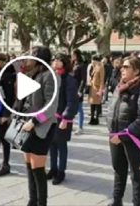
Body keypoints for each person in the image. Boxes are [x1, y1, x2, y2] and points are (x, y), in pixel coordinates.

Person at [106, 56, 140, 206]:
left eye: (127, 67)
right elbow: (112, 110)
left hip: (132, 138)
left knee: (137, 175)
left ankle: (137, 203)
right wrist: (111, 130)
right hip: (115, 136)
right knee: (118, 170)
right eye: (122, 67)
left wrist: (124, 134)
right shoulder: (120, 86)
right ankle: (116, 200)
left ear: (137, 70)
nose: (122, 69)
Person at [19, 46, 60, 206]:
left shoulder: (51, 76)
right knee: (29, 166)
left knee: (37, 169)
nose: (27, 59)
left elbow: (51, 107)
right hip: (27, 125)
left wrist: (34, 121)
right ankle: (32, 200)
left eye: (30, 56)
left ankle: (41, 203)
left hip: (42, 128)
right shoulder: (34, 74)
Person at [47, 53, 78, 185]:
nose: (55, 62)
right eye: (54, 59)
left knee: (61, 145)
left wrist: (66, 118)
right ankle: (53, 168)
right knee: (51, 144)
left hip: (62, 117)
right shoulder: (51, 76)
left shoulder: (69, 79)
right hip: (50, 117)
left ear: (64, 62)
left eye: (58, 60)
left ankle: (61, 171)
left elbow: (72, 101)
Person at [71, 49, 87, 135]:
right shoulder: (73, 64)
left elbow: (83, 80)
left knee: (79, 108)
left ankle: (80, 127)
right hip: (72, 88)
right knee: (71, 107)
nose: (72, 56)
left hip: (78, 89)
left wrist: (80, 91)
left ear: (76, 55)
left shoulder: (82, 65)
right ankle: (71, 124)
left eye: (73, 55)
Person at [87, 54, 105, 125]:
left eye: (93, 60)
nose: (92, 61)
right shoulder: (94, 67)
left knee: (97, 104)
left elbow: (102, 79)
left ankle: (96, 119)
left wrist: (101, 90)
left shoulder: (101, 67)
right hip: (92, 87)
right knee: (92, 104)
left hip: (97, 88)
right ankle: (92, 118)